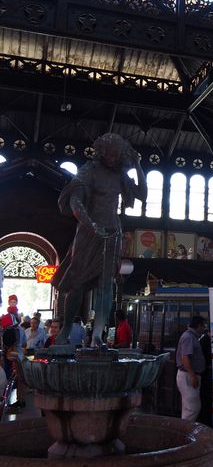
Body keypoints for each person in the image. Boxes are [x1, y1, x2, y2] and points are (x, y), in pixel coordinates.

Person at [51, 133, 147, 346]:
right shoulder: (89, 171)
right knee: (76, 283)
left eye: (116, 156)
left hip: (113, 233)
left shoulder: (120, 174)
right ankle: (66, 328)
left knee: (106, 285)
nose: (113, 160)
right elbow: (75, 201)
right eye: (109, 156)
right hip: (88, 233)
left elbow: (142, 193)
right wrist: (89, 224)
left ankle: (97, 333)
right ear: (101, 153)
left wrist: (138, 165)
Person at [176, 315, 207, 422]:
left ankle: (184, 431)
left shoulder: (193, 337)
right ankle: (184, 433)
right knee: (192, 408)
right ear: (198, 326)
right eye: (204, 326)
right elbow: (185, 358)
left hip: (189, 375)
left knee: (189, 407)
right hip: (188, 376)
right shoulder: (188, 337)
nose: (204, 329)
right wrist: (192, 375)